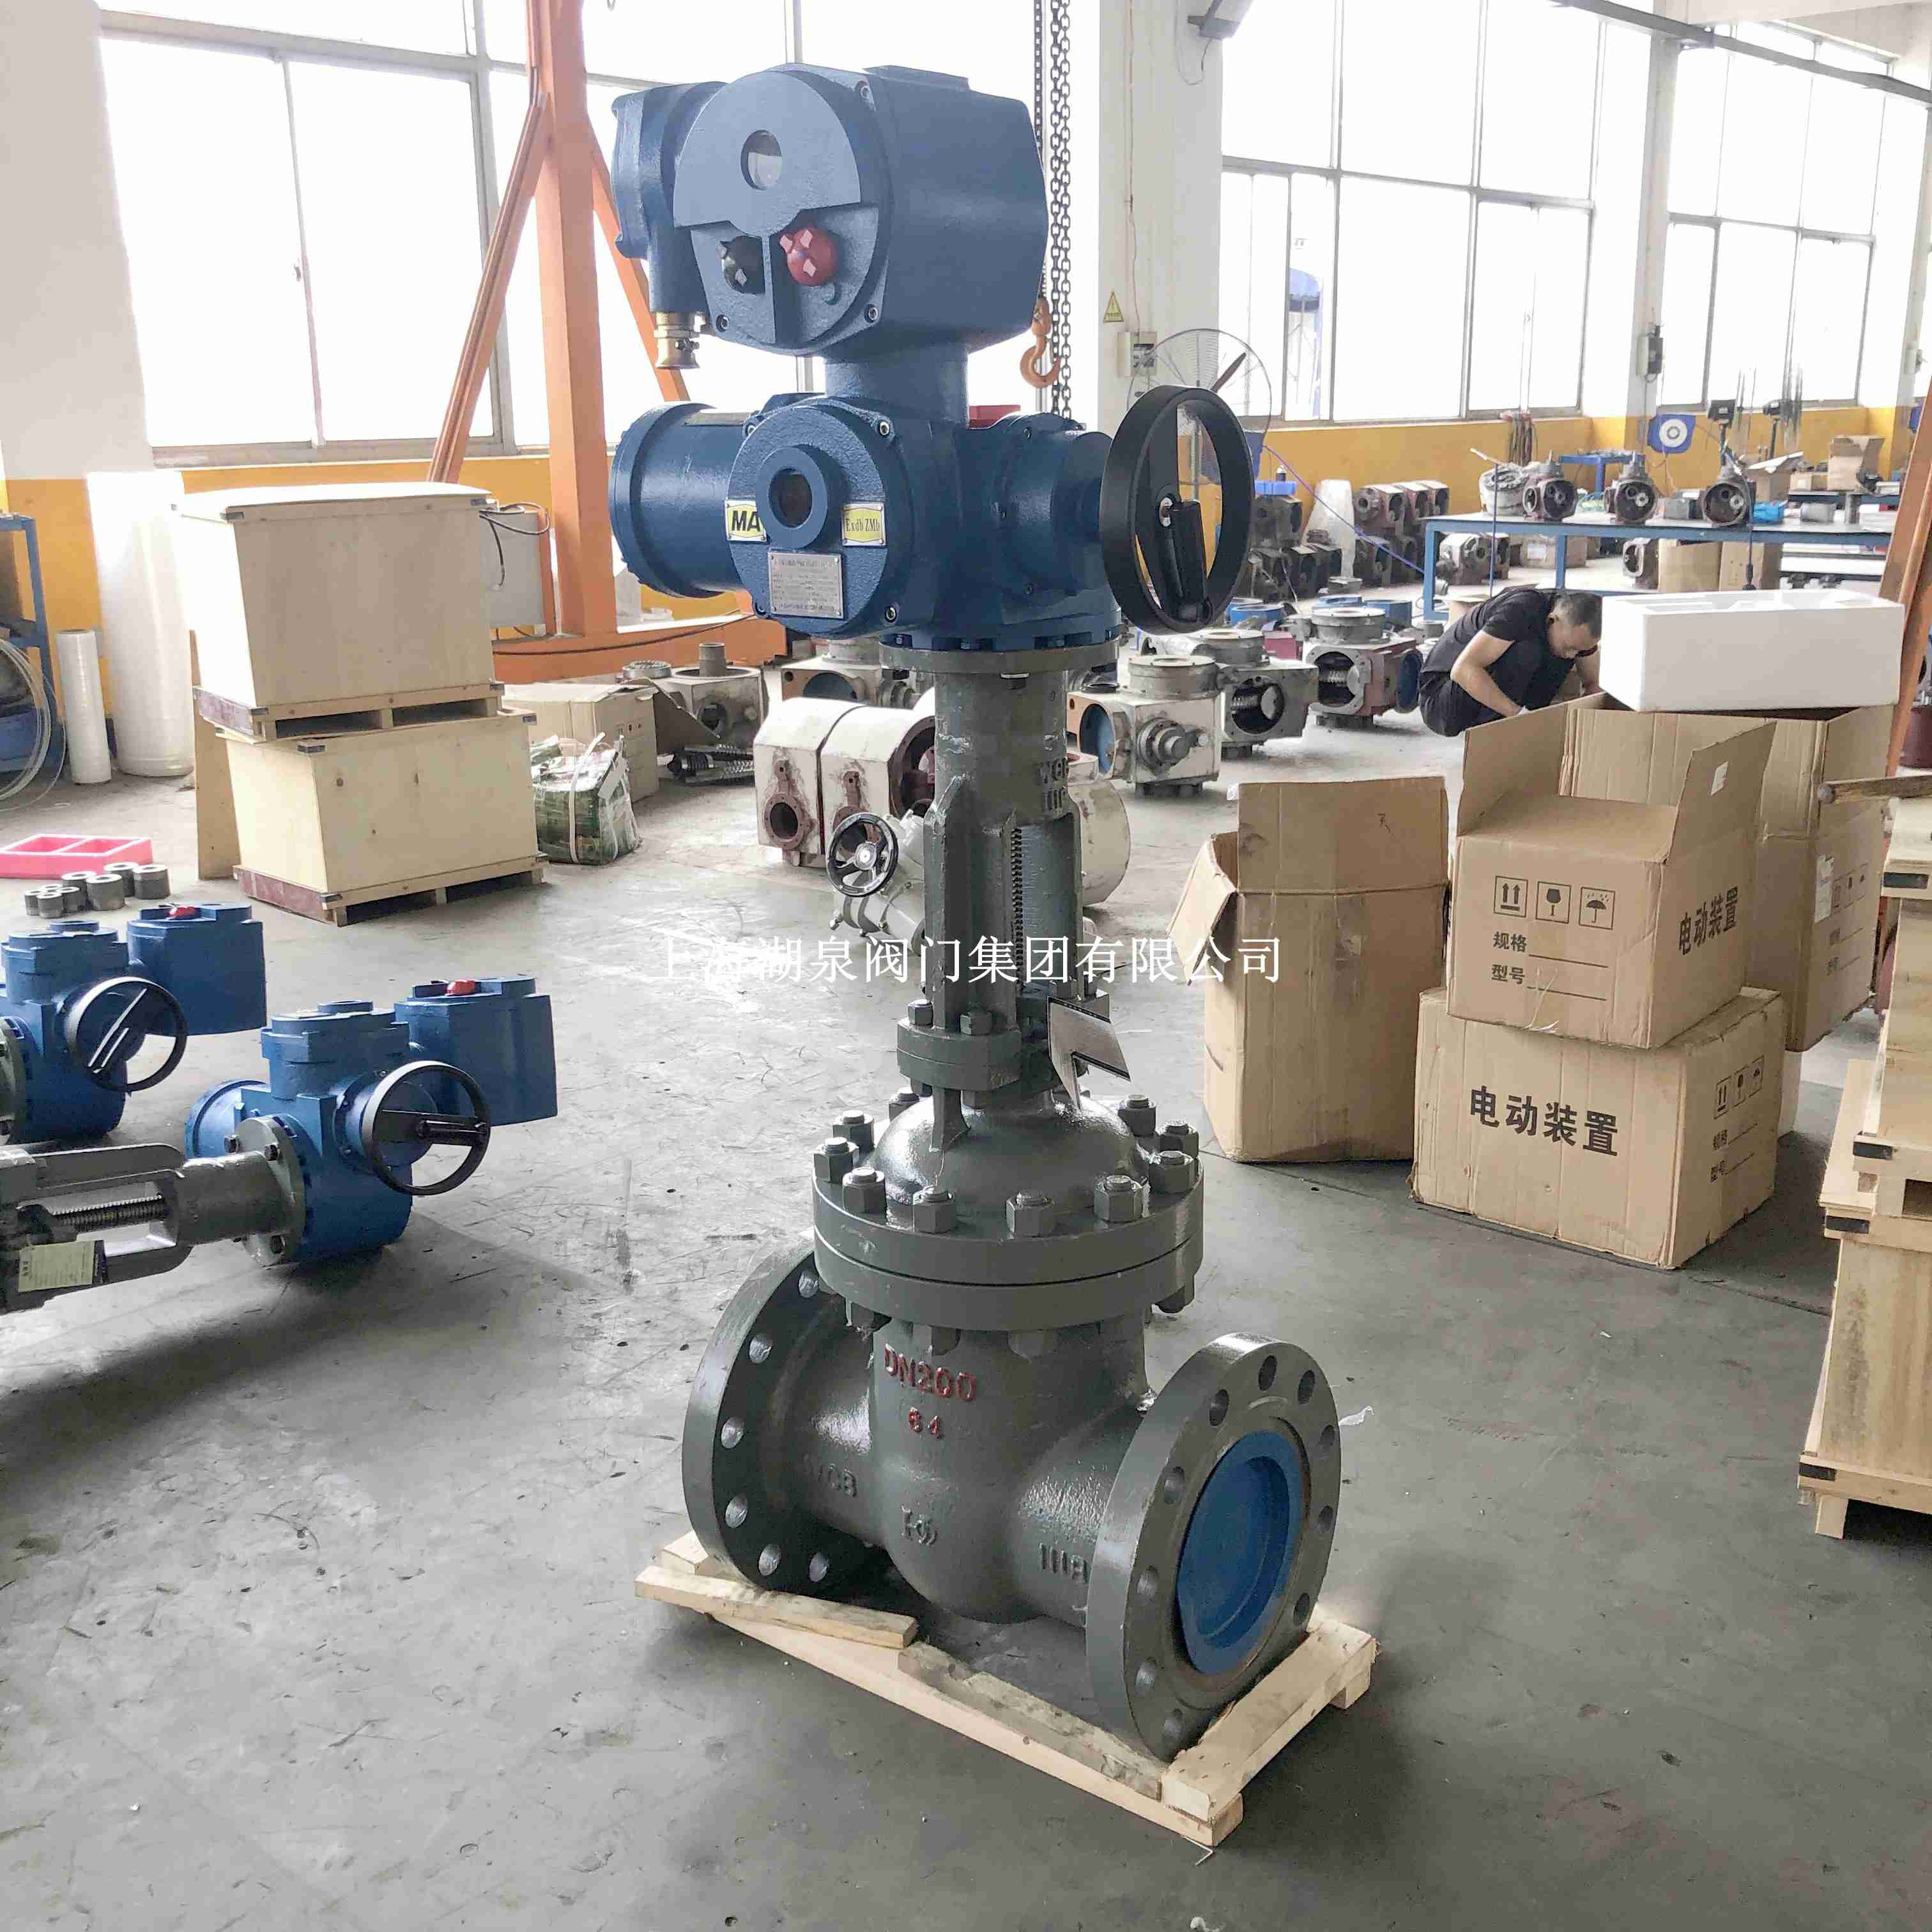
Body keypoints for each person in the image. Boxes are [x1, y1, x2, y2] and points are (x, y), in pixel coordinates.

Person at [1418, 587, 1602, 737]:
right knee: (1527, 652)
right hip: (1441, 698)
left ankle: (1525, 733)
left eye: (1580, 650)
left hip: (1481, 694)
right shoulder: (1520, 611)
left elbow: (1593, 685)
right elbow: (1463, 669)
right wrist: (1518, 715)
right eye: (1570, 646)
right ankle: (1495, 740)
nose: (1572, 655)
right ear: (1552, 620)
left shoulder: (1575, 636)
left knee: (1556, 658)